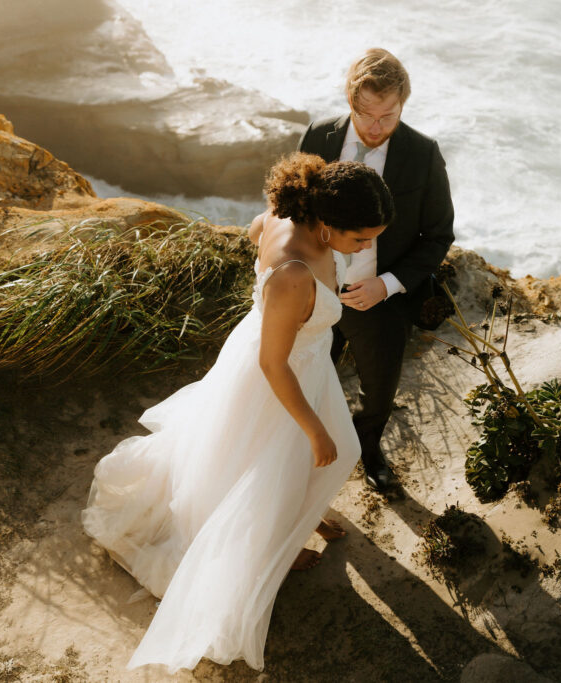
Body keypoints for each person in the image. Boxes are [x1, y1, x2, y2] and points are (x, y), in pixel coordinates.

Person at [82, 153, 393, 673]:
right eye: (360, 239)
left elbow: (254, 232)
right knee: (279, 464)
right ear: (324, 224)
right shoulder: (295, 273)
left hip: (294, 362)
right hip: (277, 380)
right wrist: (314, 430)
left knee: (310, 460)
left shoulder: (283, 217)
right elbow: (274, 363)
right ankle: (278, 543)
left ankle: (296, 523)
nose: (366, 249)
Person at [298, 48, 455, 492]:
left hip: (382, 300)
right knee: (309, 379)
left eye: (389, 116)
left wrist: (386, 285)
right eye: (366, 115)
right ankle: (304, 454)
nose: (376, 127)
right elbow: (294, 211)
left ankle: (367, 448)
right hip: (315, 292)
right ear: (351, 100)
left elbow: (439, 235)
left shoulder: (423, 154)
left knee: (380, 392)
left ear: (403, 103)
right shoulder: (318, 136)